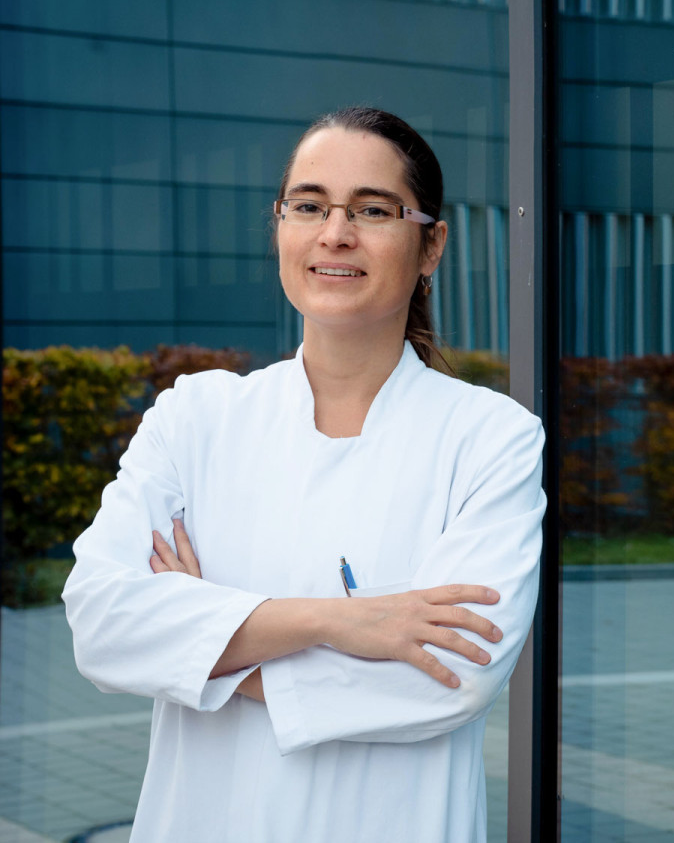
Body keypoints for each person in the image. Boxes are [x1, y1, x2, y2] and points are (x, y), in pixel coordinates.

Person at [62, 106, 545, 842]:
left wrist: (205, 639)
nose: (335, 233)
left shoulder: (489, 438)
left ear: (431, 247)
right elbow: (102, 622)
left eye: (374, 210)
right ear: (280, 225)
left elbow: (450, 675)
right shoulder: (197, 416)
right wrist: (341, 621)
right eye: (309, 205)